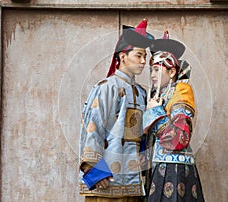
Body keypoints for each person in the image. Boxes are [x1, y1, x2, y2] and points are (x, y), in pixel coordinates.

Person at [79, 18, 154, 202]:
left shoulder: (141, 93)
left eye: (145, 56)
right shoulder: (106, 87)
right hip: (107, 177)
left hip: (134, 180)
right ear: (122, 56)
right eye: (138, 55)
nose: (143, 61)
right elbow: (92, 126)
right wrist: (94, 169)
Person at [143, 32, 205, 202]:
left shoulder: (181, 91)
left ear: (172, 72)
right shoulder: (162, 94)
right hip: (158, 164)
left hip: (174, 167)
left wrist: (155, 113)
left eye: (157, 69)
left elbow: (179, 138)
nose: (153, 75)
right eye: (151, 70)